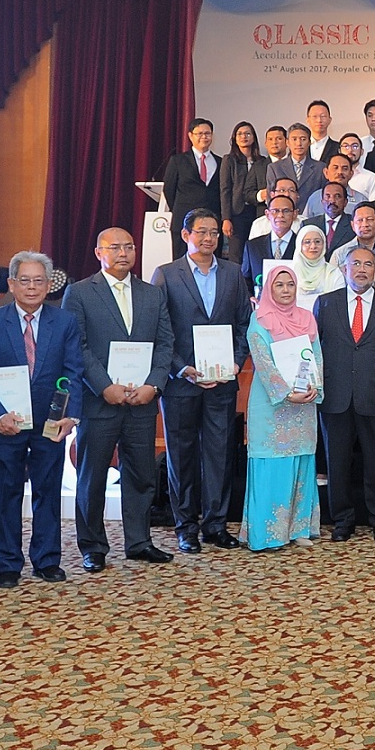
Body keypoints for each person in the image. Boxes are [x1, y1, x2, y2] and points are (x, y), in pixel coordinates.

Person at [0, 250, 82, 587]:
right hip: (6, 422)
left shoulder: (65, 321)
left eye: (39, 281)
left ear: (49, 285)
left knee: (49, 490)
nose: (32, 287)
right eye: (25, 281)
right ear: (12, 284)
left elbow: (74, 371)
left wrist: (69, 416)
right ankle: (8, 564)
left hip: (50, 422)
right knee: (5, 493)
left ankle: (46, 560)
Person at [63, 228, 174, 572]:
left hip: (141, 402)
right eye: (115, 247)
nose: (123, 253)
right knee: (93, 476)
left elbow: (165, 343)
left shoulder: (152, 294)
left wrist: (154, 385)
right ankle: (93, 546)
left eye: (129, 246)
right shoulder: (79, 293)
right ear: (99, 252)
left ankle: (139, 542)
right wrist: (104, 386)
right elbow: (76, 345)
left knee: (141, 474)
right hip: (100, 402)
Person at [152, 209, 254, 552]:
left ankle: (215, 523)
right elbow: (161, 330)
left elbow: (243, 324)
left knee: (219, 453)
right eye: (201, 232)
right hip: (181, 382)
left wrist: (235, 363)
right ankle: (185, 526)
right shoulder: (166, 275)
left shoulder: (233, 273)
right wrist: (182, 367)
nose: (209, 238)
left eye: (214, 233)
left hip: (223, 382)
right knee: (181, 455)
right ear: (186, 235)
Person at [315, 247, 375, 541]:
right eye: (356, 264)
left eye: (369, 264)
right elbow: (315, 350)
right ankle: (342, 520)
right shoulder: (325, 304)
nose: (362, 269)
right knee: (337, 461)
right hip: (336, 396)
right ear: (344, 268)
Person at [243, 265, 324, 550]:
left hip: (303, 406)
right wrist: (286, 393)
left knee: (301, 462)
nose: (286, 290)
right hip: (272, 405)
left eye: (290, 284)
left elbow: (316, 357)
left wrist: (316, 388)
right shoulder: (259, 320)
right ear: (269, 289)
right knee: (272, 465)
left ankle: (299, 527)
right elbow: (263, 364)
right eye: (280, 285)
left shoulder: (307, 318)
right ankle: (268, 533)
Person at [160, 117, 219, 261]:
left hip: (211, 222)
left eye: (208, 133)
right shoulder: (178, 161)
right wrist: (183, 208)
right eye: (200, 133)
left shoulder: (220, 161)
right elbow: (169, 190)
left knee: (210, 262)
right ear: (190, 136)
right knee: (181, 264)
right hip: (183, 220)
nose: (204, 137)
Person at [219, 121, 271, 262]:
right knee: (237, 254)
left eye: (248, 133)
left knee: (257, 251)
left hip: (258, 210)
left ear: (253, 137)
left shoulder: (262, 161)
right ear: (234, 138)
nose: (244, 137)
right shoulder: (229, 160)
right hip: (238, 213)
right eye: (240, 134)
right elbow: (225, 190)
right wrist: (226, 218)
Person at [242, 193, 300, 289]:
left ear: (294, 214)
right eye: (275, 211)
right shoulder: (252, 246)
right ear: (267, 214)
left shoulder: (302, 245)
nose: (280, 215)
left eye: (286, 211)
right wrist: (250, 297)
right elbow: (245, 279)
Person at [289, 224, 344, 301]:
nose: (313, 246)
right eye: (307, 242)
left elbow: (338, 302)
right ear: (299, 245)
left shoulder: (334, 273)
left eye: (317, 242)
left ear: (324, 244)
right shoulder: (288, 273)